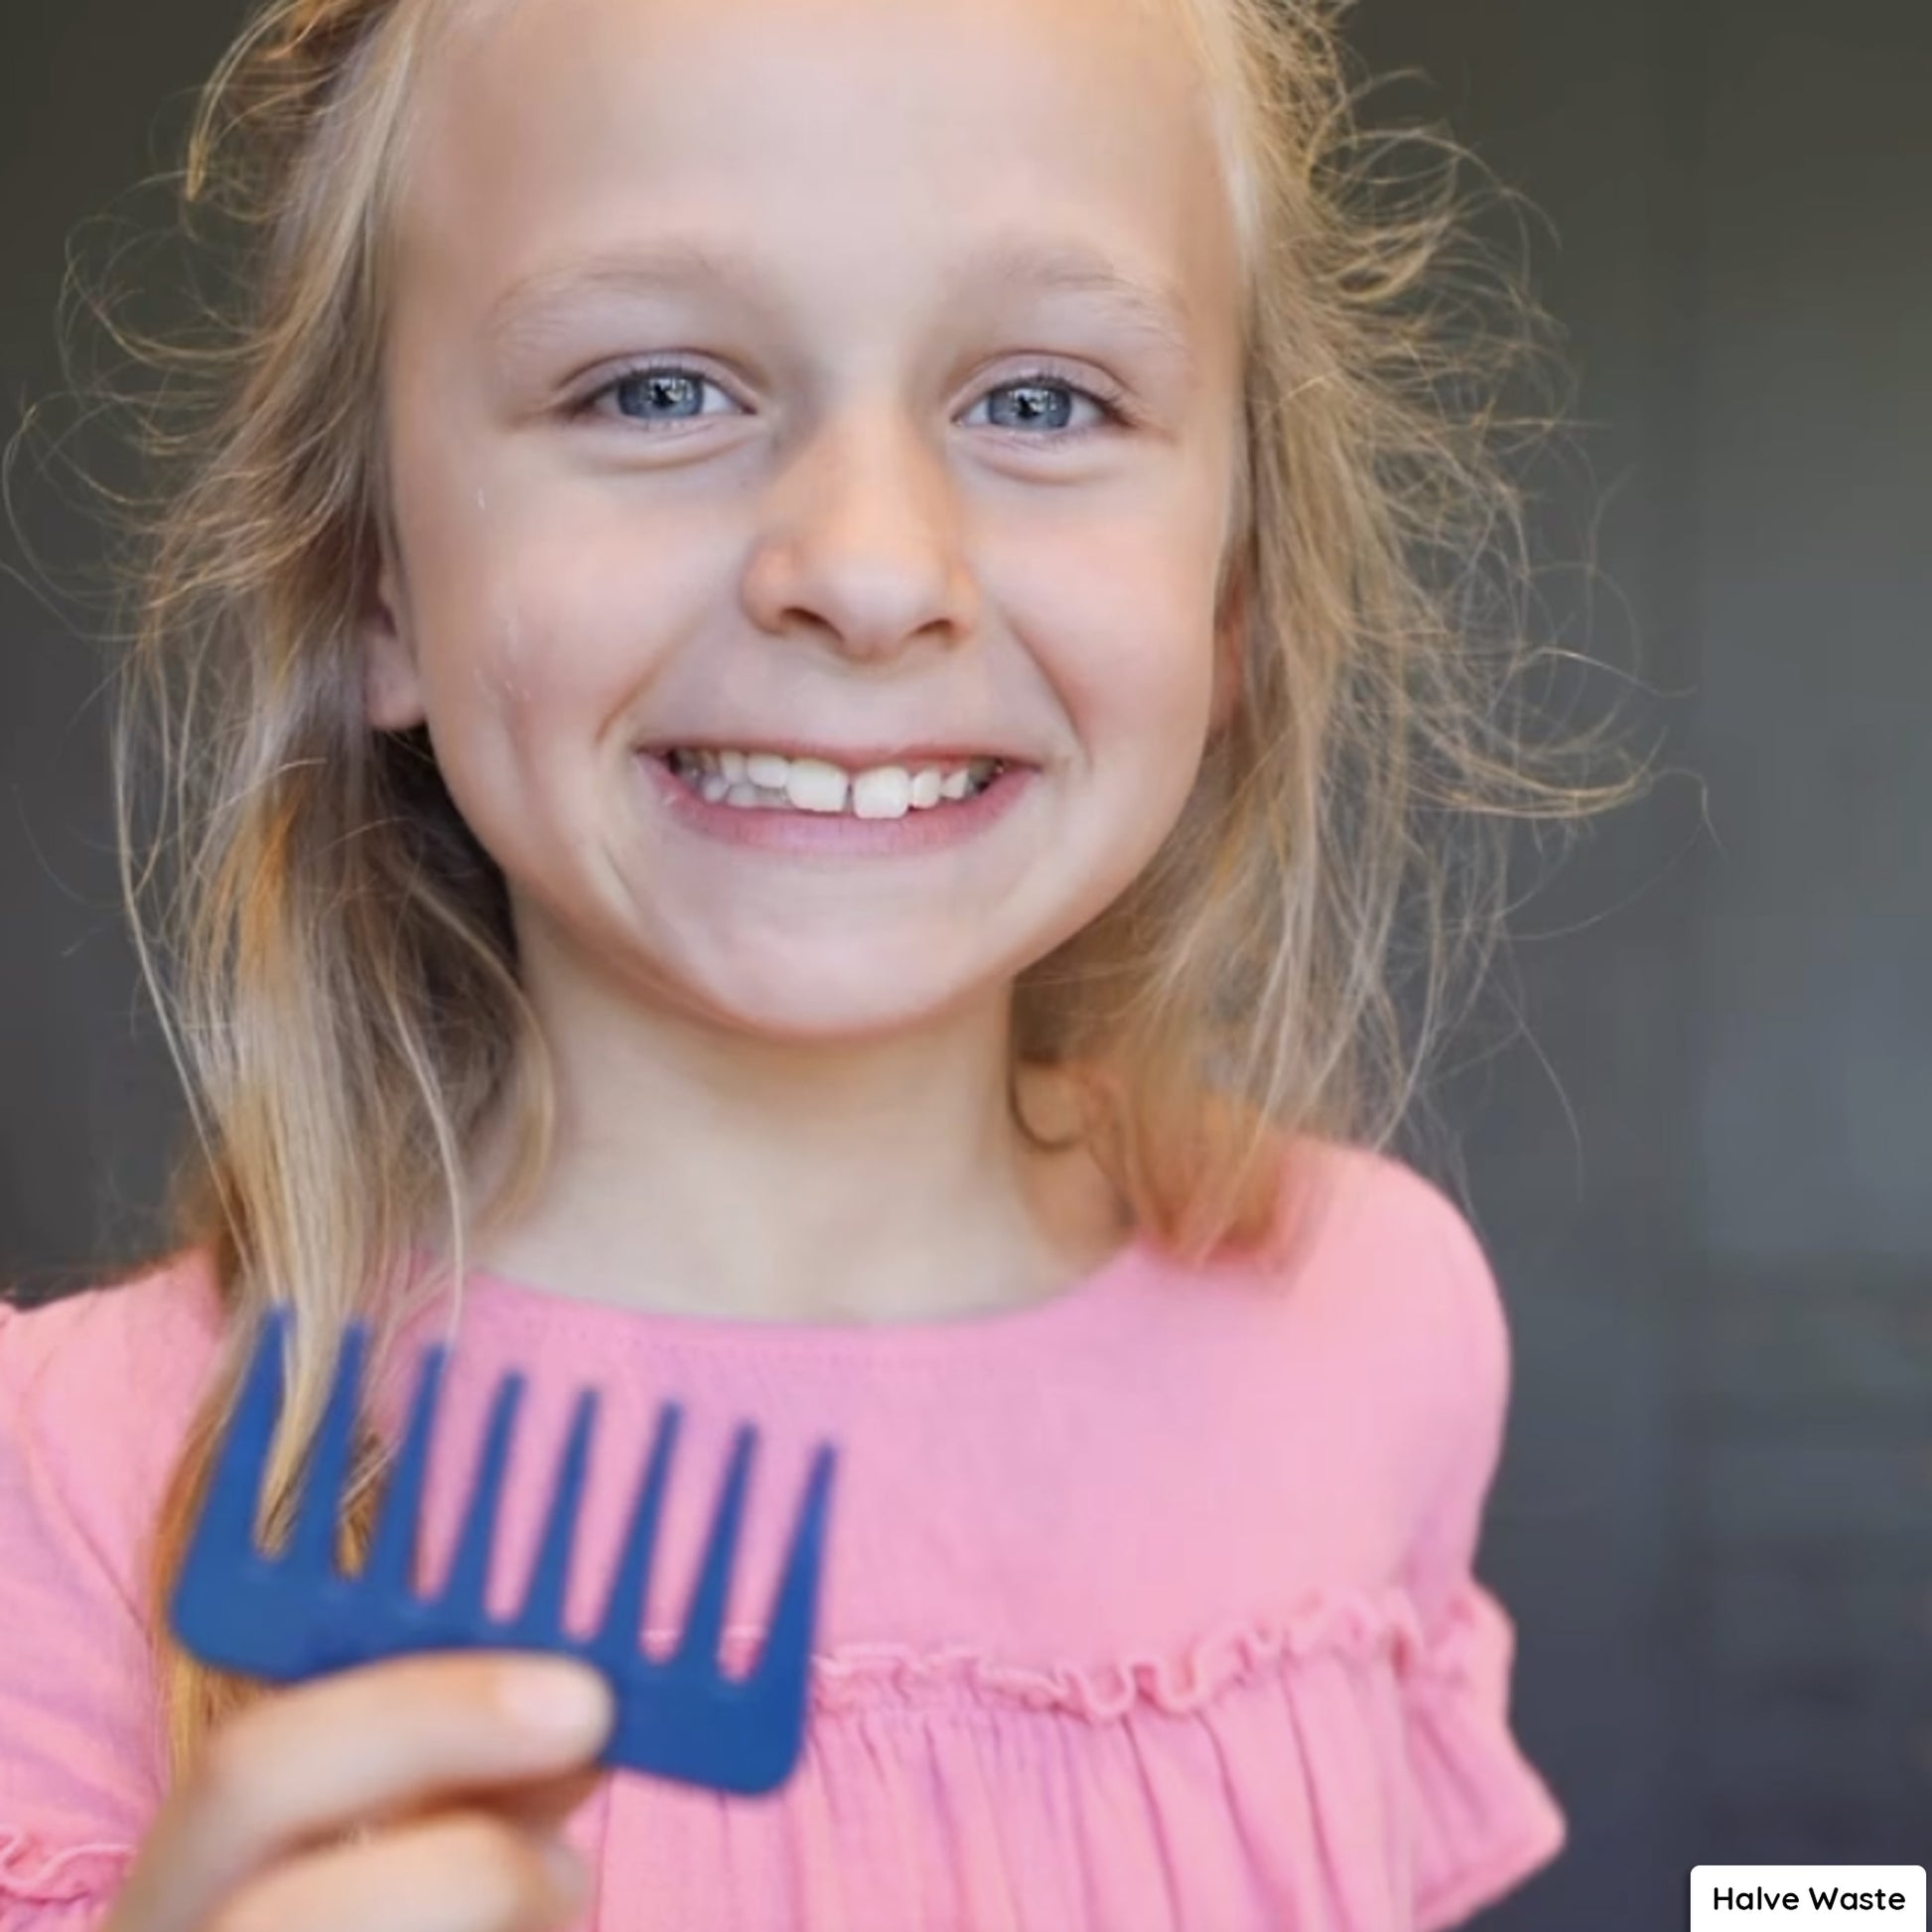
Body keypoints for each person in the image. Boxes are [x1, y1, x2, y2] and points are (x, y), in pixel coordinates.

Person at [0, 0, 1642, 1923]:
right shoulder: (66, 1487)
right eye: (651, 389)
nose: (866, 571)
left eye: (1039, 401)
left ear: (1234, 588)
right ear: (377, 572)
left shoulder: (1371, 1332)